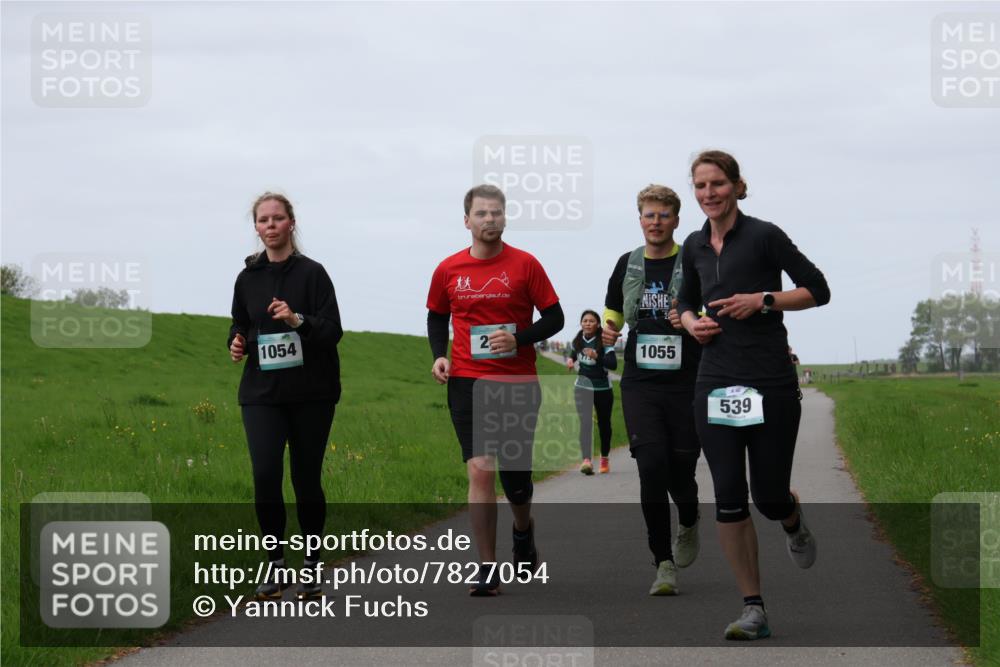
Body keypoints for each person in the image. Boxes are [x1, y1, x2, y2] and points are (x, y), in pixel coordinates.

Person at [676, 150, 830, 640]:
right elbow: (684, 301)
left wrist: (762, 300)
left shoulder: (765, 235)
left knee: (766, 496)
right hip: (715, 381)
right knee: (726, 497)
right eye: (700, 186)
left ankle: (790, 515)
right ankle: (753, 608)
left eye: (717, 183)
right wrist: (690, 324)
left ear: (737, 186)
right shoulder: (693, 245)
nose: (708, 194)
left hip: (768, 381)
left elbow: (817, 289)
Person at [426, 184, 564, 596]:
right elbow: (437, 316)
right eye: (482, 214)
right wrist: (439, 355)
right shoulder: (448, 269)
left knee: (515, 479)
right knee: (479, 469)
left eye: (496, 213)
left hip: (516, 380)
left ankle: (523, 530)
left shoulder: (525, 265)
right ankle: (487, 567)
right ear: (466, 220)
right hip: (467, 378)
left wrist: (518, 338)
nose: (490, 220)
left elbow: (555, 318)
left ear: (505, 218)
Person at [228, 192, 343, 601]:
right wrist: (237, 343)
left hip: (312, 392)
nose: (271, 225)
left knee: (305, 478)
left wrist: (298, 320)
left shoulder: (313, 274)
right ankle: (275, 564)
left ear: (291, 223)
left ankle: (312, 564)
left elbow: (333, 331)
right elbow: (239, 324)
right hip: (261, 392)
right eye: (263, 220)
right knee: (264, 474)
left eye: (278, 218)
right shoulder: (247, 278)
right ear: (256, 228)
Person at [602, 184, 703, 596]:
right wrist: (609, 329)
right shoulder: (627, 263)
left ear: (676, 220)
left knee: (681, 471)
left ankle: (691, 519)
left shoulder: (693, 261)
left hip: (688, 380)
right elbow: (612, 306)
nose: (656, 222)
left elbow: (713, 304)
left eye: (663, 215)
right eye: (649, 215)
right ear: (639, 219)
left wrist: (694, 319)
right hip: (641, 382)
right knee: (651, 466)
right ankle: (662, 562)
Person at [565, 310, 617, 475]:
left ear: (598, 324)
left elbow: (613, 364)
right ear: (581, 324)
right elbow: (574, 353)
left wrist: (597, 356)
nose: (587, 323)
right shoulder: (578, 341)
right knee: (585, 424)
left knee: (604, 424)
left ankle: (604, 458)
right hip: (582, 387)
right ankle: (586, 460)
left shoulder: (604, 341)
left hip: (602, 388)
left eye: (591, 321)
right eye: (585, 321)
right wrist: (570, 360)